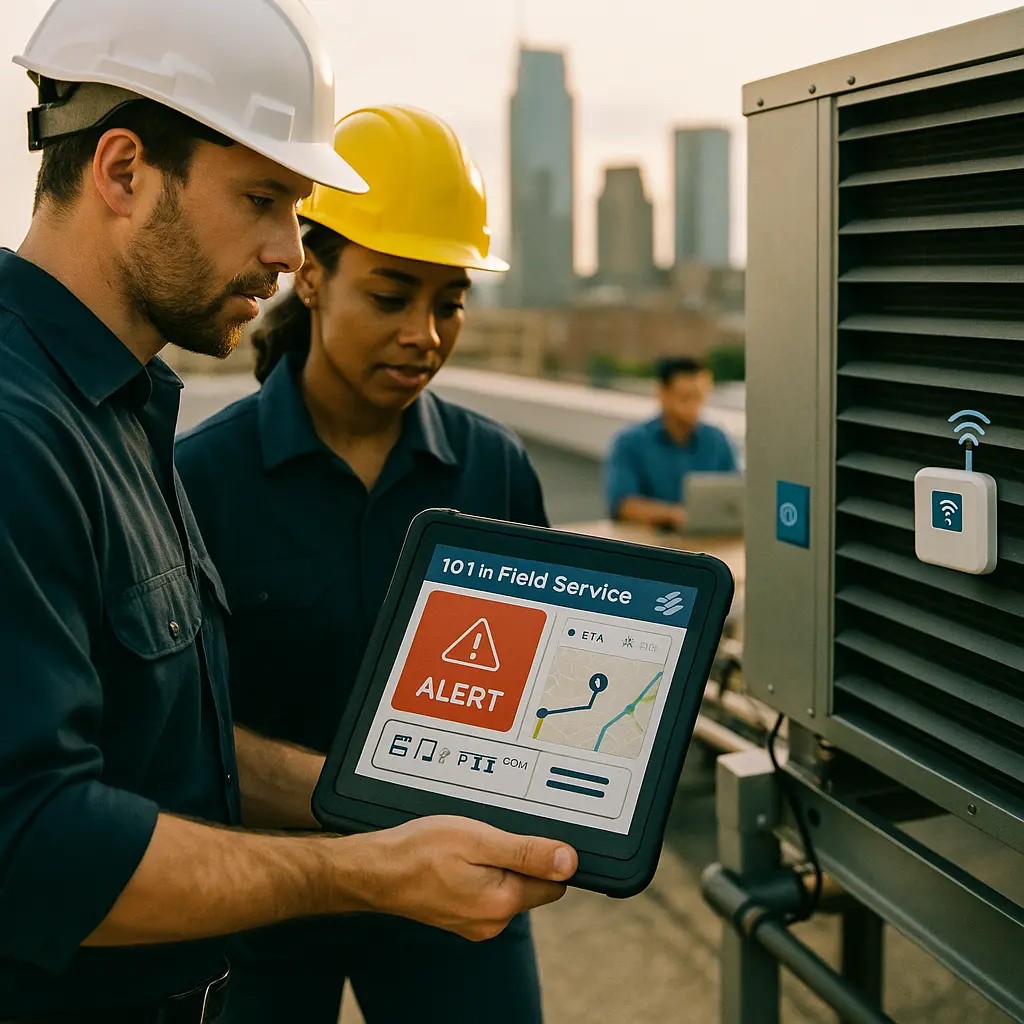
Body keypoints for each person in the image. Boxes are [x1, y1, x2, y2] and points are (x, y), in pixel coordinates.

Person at [0, 4, 576, 1020]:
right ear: (122, 170)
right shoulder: (20, 433)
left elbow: (186, 746)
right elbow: (33, 846)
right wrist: (363, 867)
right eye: (265, 198)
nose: (286, 251)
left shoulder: (121, 416)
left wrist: (396, 817)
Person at [175, 105, 552, 1024]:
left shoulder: (493, 469)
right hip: (264, 895)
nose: (426, 334)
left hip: (453, 897)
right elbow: (178, 722)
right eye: (392, 297)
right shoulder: (200, 478)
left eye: (450, 301)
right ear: (309, 275)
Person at [605, 356, 738, 529]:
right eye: (685, 397)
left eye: (700, 397)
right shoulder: (630, 442)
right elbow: (623, 505)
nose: (694, 406)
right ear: (662, 394)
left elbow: (735, 497)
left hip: (707, 542)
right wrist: (676, 515)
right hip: (648, 544)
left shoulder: (717, 440)